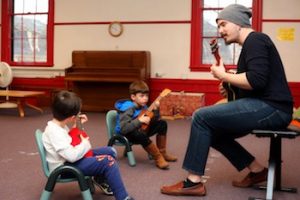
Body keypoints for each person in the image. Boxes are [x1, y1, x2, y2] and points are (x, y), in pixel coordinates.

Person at [161, 4, 293, 196]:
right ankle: (257, 170)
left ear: (239, 23)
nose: (221, 31)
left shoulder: (256, 40)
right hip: (268, 106)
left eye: (223, 24)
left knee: (201, 116)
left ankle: (193, 182)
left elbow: (256, 80)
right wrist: (230, 86)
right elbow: (252, 88)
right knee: (211, 130)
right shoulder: (249, 46)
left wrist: (224, 76)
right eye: (218, 26)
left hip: (274, 108)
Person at [42, 90, 134, 200]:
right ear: (72, 117)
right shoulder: (54, 132)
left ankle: (99, 179)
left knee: (110, 151)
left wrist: (78, 126)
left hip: (70, 159)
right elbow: (71, 156)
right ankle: (123, 198)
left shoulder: (58, 126)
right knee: (108, 161)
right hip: (65, 168)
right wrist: (85, 143)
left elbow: (70, 141)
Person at [114, 80, 177, 169]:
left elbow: (153, 120)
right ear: (133, 97)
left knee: (162, 123)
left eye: (146, 96)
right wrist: (139, 121)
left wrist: (156, 110)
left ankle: (162, 153)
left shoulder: (143, 106)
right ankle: (158, 157)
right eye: (142, 96)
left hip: (141, 130)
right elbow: (124, 129)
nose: (145, 98)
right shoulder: (128, 108)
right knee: (139, 134)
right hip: (126, 134)